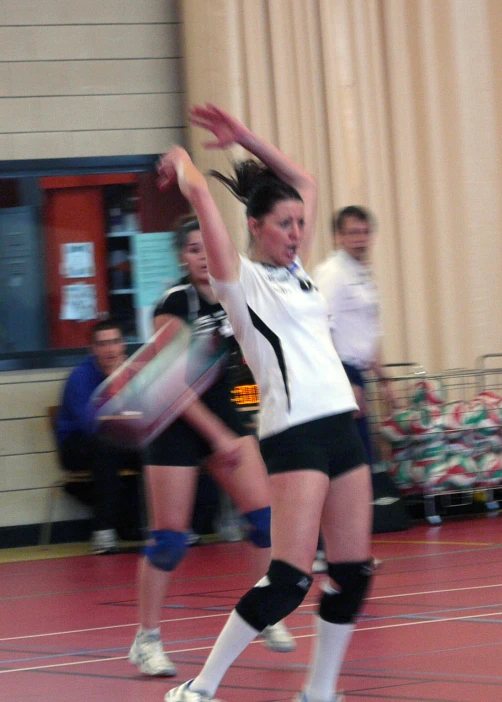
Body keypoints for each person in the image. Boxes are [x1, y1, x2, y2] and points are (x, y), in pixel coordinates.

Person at [157, 103, 374, 702]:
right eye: (284, 225)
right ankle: (202, 687)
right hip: (295, 435)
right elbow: (207, 204)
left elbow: (300, 180)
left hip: (340, 430)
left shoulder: (299, 273)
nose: (296, 234)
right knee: (289, 580)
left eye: (301, 224)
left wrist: (243, 138)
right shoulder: (241, 284)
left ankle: (319, 692)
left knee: (353, 576)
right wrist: (186, 168)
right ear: (255, 227)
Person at [128, 215, 295, 679]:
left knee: (264, 520)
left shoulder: (231, 292)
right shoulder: (173, 303)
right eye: (195, 250)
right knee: (169, 540)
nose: (204, 257)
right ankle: (147, 639)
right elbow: (171, 381)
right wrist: (218, 438)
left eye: (210, 248)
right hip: (173, 422)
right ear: (183, 256)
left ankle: (265, 614)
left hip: (223, 414)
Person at [312, 206, 395, 573]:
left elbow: (366, 331)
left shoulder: (362, 274)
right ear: (338, 236)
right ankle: (329, 551)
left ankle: (349, 551)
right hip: (339, 376)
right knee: (344, 467)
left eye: (364, 231)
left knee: (356, 467)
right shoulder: (333, 274)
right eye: (352, 233)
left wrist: (382, 376)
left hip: (357, 373)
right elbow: (320, 327)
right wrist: (344, 382)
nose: (359, 239)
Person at [55, 319, 142, 554]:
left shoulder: (136, 372)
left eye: (115, 342)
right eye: (103, 344)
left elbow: (149, 412)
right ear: (93, 349)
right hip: (77, 444)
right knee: (104, 447)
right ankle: (103, 531)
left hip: (123, 441)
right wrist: (116, 383)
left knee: (162, 448)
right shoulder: (80, 377)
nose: (110, 350)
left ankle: (169, 527)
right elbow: (92, 424)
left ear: (123, 344)